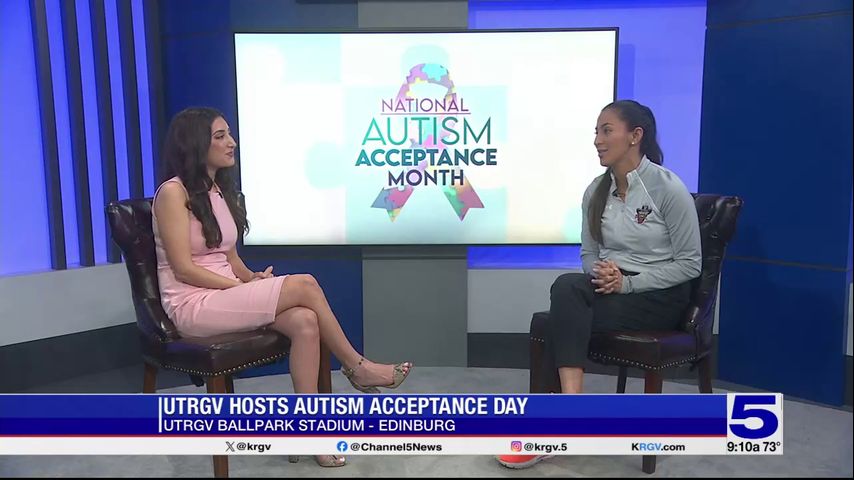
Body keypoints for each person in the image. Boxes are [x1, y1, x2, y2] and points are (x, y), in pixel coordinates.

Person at [153, 107, 412, 468]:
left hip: (223, 294)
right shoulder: (171, 193)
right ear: (195, 144)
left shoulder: (216, 191)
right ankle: (357, 366)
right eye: (221, 136)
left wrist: (252, 280)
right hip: (192, 304)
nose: (232, 143)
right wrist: (236, 287)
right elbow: (184, 268)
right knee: (305, 284)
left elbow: (231, 258)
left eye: (229, 134)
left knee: (305, 321)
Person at [497, 100, 702, 469]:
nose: (597, 140)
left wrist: (628, 284)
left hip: (660, 295)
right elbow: (588, 253)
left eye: (607, 130)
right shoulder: (596, 191)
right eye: (596, 131)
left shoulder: (668, 189)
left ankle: (550, 424)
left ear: (635, 136)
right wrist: (603, 273)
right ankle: (571, 411)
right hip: (611, 288)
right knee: (566, 287)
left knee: (561, 317)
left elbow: (690, 264)